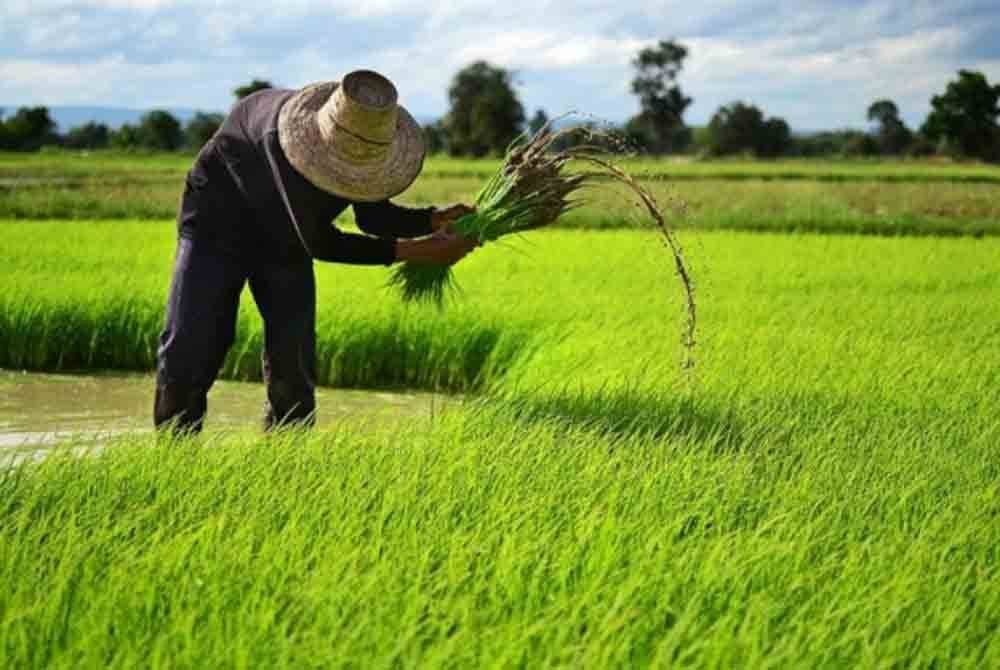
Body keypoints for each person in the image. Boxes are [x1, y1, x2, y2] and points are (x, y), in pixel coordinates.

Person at [154, 69, 477, 433]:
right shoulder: (281, 140)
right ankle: (176, 450)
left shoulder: (363, 139)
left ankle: (287, 460)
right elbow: (319, 242)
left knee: (293, 357)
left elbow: (372, 216)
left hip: (287, 239)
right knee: (192, 343)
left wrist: (431, 221)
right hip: (217, 227)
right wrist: (416, 252)